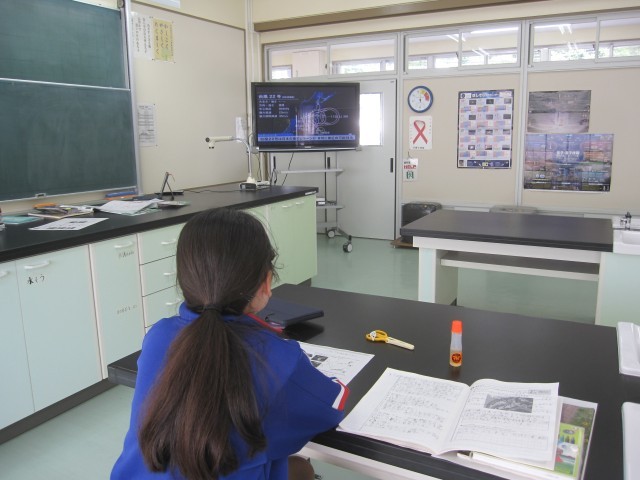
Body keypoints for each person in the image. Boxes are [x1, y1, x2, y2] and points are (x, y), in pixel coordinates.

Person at [111, 208, 348, 480]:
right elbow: (333, 406)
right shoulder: (277, 358)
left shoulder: (158, 335)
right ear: (266, 281)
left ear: (185, 280)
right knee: (302, 469)